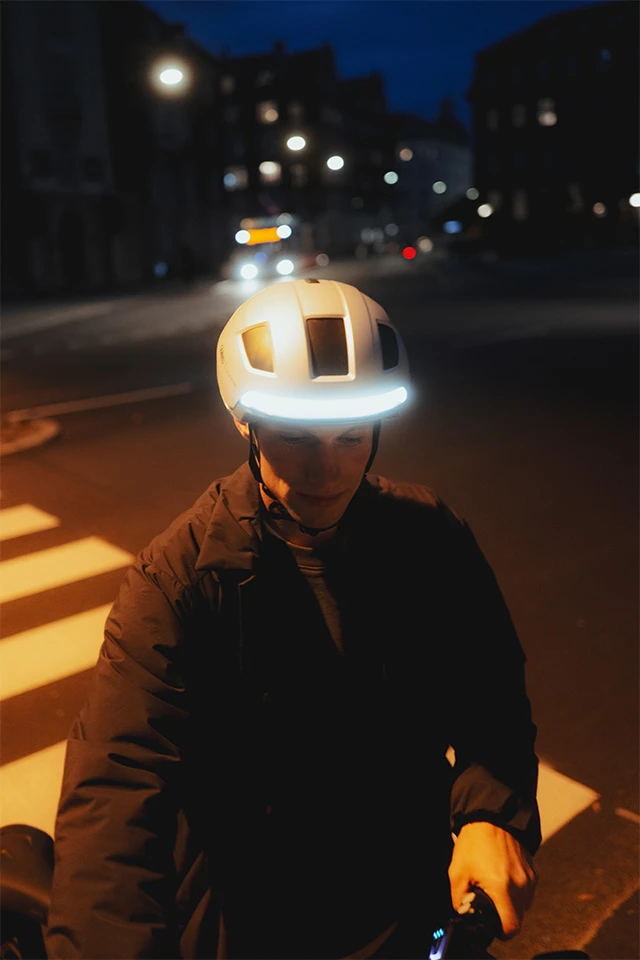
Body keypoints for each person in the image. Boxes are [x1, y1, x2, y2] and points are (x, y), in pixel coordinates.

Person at [45, 279, 540, 960]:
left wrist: (490, 811)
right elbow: (119, 786)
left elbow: (489, 692)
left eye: (351, 434)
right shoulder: (180, 578)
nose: (328, 468)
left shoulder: (430, 535)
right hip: (246, 921)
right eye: (296, 435)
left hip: (408, 901)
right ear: (245, 421)